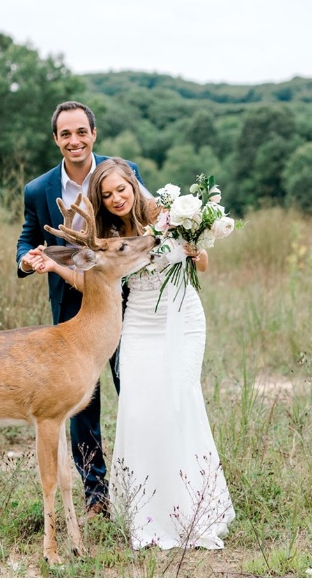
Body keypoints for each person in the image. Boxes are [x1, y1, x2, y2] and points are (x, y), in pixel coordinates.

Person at [25, 158, 235, 550]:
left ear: (134, 185)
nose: (116, 198)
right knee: (138, 408)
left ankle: (192, 508)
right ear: (100, 200)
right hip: (138, 321)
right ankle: (144, 512)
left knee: (178, 403)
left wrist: (194, 242)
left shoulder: (169, 215)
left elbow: (201, 264)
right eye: (106, 195)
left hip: (182, 318)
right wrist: (54, 265)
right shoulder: (105, 233)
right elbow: (95, 282)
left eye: (121, 189)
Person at [15, 100, 145, 520]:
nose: (75, 140)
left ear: (94, 134)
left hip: (126, 300)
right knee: (81, 407)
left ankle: (141, 484)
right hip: (72, 305)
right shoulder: (38, 189)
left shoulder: (120, 173)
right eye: (65, 134)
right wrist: (28, 260)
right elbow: (28, 237)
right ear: (56, 139)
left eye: (81, 132)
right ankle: (97, 496)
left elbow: (140, 223)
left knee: (135, 390)